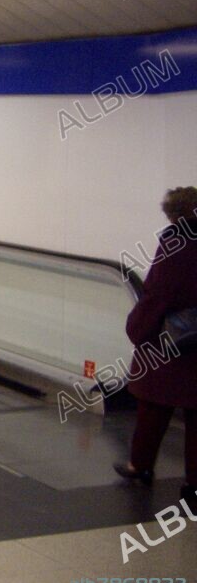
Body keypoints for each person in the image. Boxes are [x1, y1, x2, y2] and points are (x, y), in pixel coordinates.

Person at [115, 187, 197, 504]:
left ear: (175, 214)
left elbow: (159, 293)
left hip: (171, 344)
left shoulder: (176, 242)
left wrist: (137, 328)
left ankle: (141, 466)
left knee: (153, 407)